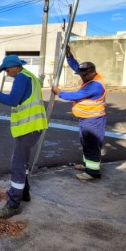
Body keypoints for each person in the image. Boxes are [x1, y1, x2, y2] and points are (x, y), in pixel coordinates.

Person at [0, 55, 48, 219]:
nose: (6, 73)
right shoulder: (29, 76)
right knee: (22, 161)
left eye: (6, 70)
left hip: (29, 127)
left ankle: (13, 204)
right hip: (33, 126)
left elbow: (13, 100)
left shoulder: (21, 78)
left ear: (13, 67)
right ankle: (24, 192)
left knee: (17, 164)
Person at [51, 46, 106, 182]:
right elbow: (76, 67)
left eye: (84, 75)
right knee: (86, 142)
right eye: (81, 74)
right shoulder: (88, 77)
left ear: (92, 72)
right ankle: (88, 165)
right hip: (86, 118)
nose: (81, 76)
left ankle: (92, 173)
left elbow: (76, 95)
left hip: (93, 119)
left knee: (92, 144)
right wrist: (69, 55)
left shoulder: (95, 85)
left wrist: (59, 93)